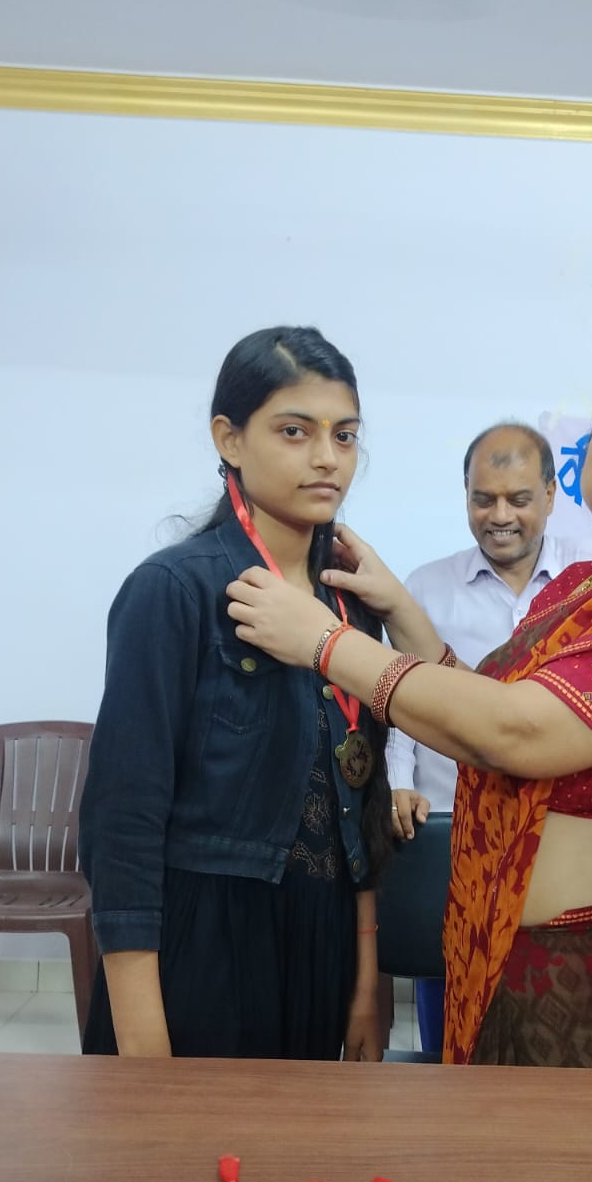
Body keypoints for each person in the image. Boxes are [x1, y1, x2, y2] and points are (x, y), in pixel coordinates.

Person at [228, 345, 592, 1071]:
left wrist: (325, 643)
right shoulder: (579, 587)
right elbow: (482, 699)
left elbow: (516, 732)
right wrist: (398, 607)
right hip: (509, 958)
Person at [79, 326, 392, 1060]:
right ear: (230, 439)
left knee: (306, 1138)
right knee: (190, 1137)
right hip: (204, 937)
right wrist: (141, 1034)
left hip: (324, 938)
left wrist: (365, 978)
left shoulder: (352, 604)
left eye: (345, 435)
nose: (327, 457)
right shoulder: (174, 589)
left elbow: (360, 803)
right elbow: (122, 819)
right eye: (295, 431)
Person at [387, 422, 588, 1051]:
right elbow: (400, 696)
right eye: (483, 499)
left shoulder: (589, 585)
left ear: (550, 495)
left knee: (542, 1006)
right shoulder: (426, 587)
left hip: (555, 838)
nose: (500, 516)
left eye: (519, 499)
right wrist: (397, 782)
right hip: (451, 832)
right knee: (447, 988)